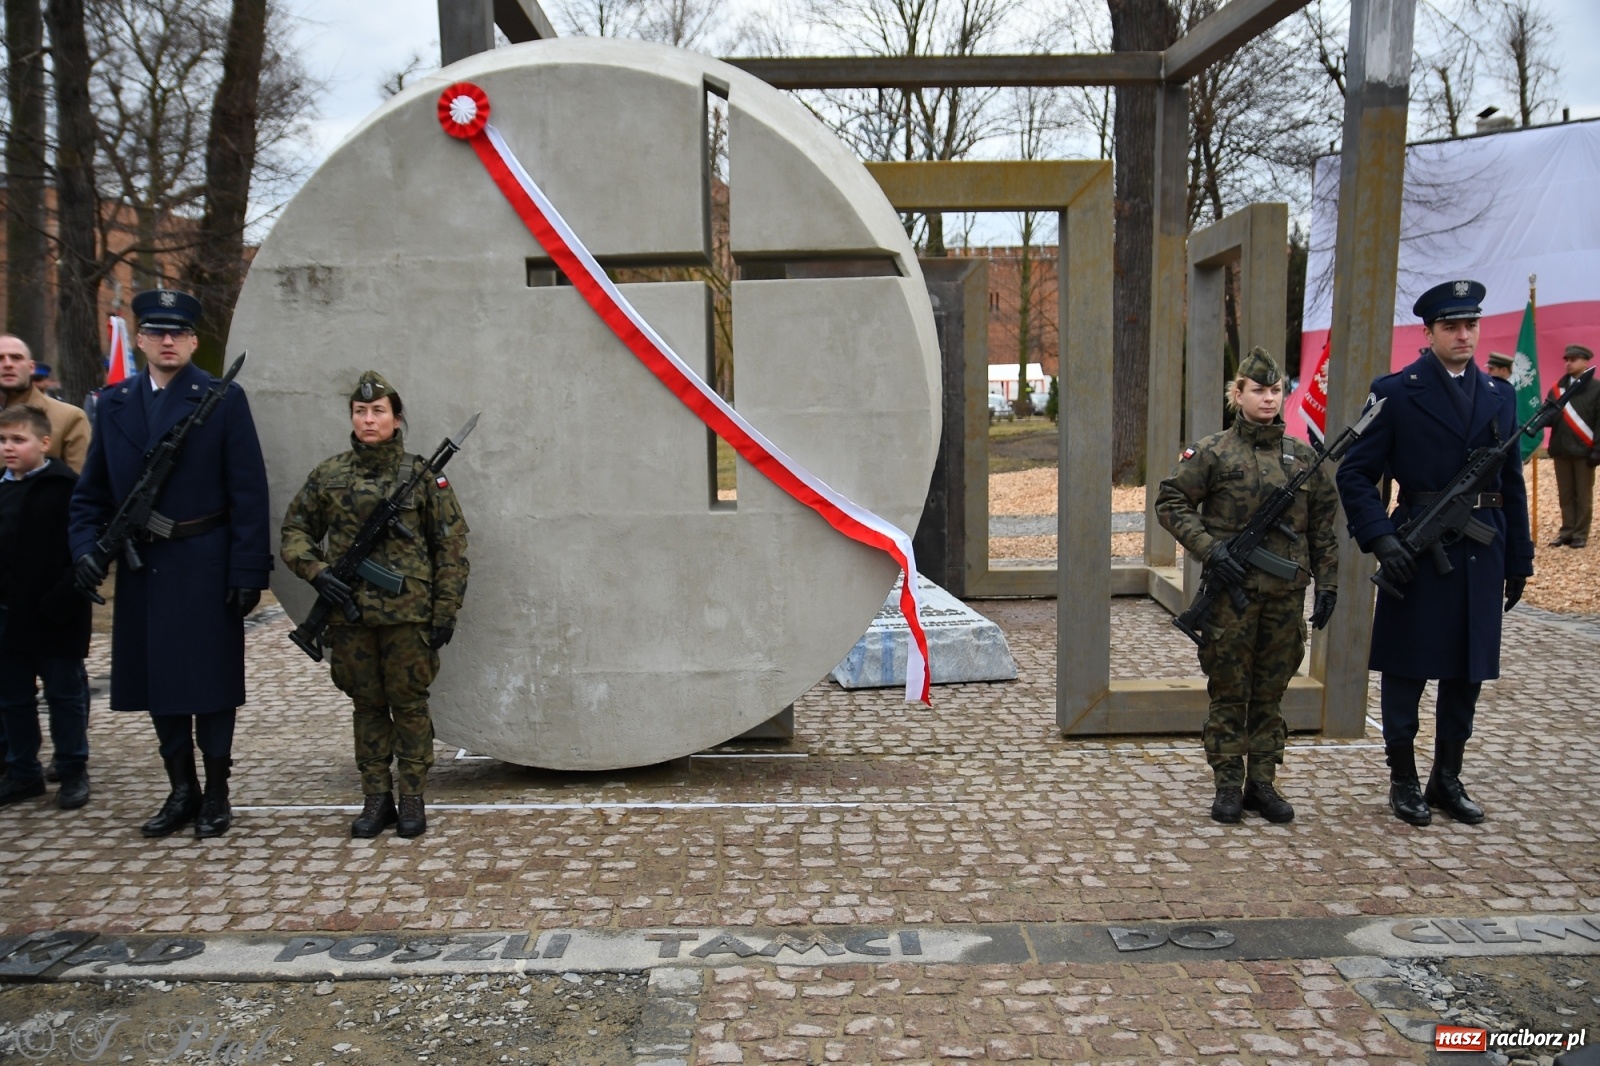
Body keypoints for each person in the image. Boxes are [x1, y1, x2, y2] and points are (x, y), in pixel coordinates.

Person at [68, 289, 272, 838]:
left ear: (193, 341)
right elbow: (91, 495)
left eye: (177, 333)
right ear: (139, 340)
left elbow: (249, 492)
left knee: (210, 686)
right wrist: (85, 548)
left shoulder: (222, 399)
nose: (166, 341)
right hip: (145, 569)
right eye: (156, 332)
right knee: (160, 685)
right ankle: (182, 789)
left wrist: (248, 569)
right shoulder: (111, 405)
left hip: (204, 563)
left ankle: (218, 793)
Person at [1335, 279, 1534, 827]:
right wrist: (1381, 538)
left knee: (1465, 673)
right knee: (1406, 670)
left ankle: (1447, 778)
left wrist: (1519, 558)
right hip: (1416, 551)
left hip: (1481, 550)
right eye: (1451, 326)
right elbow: (1354, 475)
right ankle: (1403, 779)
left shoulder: (1499, 396)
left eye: (1471, 325)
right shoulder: (1396, 391)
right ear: (1429, 332)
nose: (1464, 335)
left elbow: (1510, 484)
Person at [280, 372, 469, 838]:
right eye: (361, 412)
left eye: (378, 411)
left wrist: (445, 611)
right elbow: (295, 533)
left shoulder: (423, 477)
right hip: (351, 618)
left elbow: (451, 548)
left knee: (409, 707)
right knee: (366, 707)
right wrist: (318, 572)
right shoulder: (329, 475)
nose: (369, 419)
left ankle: (411, 798)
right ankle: (375, 798)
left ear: (396, 418)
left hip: (409, 617)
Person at [1156, 348, 1340, 825]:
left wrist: (1328, 584)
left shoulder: (1302, 459)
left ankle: (1262, 781)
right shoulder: (1213, 452)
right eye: (1257, 390)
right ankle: (1225, 785)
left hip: (1284, 600)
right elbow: (1170, 500)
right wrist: (1210, 549)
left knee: (1270, 693)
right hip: (1230, 602)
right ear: (1237, 395)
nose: (1268, 398)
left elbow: (1322, 526)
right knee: (1229, 692)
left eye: (1275, 390)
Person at [0, 406, 92, 809]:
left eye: (18, 440)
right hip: (7, 615)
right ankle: (22, 772)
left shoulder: (66, 487)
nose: (8, 448)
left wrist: (63, 597)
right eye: (3, 440)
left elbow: (80, 553)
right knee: (13, 700)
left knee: (64, 697)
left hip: (55, 614)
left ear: (43, 443)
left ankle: (72, 768)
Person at [0, 335, 91, 472]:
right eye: (0, 359)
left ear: (31, 367)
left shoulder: (69, 418)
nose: (8, 364)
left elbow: (80, 485)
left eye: (16, 358)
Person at [1546, 343, 1599, 549]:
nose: (1568, 363)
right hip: (1561, 448)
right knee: (1565, 493)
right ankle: (1567, 531)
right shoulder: (1557, 389)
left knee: (1583, 494)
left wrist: (1598, 448)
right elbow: (1549, 417)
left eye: (1573, 359)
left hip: (1585, 449)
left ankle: (1580, 533)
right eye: (1566, 360)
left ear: (1586, 362)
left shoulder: (1596, 388)